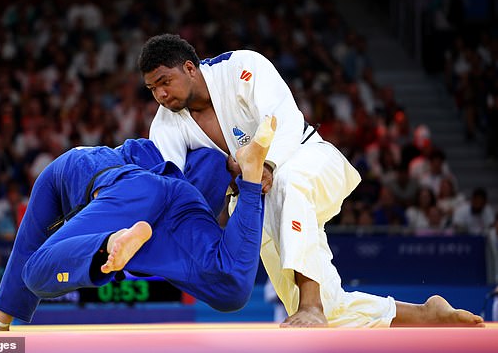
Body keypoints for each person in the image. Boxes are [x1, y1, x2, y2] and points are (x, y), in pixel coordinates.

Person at [139, 33, 484, 327]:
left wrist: (268, 164)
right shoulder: (167, 124)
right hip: (255, 201)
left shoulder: (242, 68)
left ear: (189, 68)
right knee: (331, 314)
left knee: (289, 183)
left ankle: (311, 303)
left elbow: (286, 119)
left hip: (306, 159)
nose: (161, 95)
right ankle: (425, 314)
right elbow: (169, 184)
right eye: (152, 89)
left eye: (164, 82)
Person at [0, 117, 276, 331]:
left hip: (136, 194)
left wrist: (0, 323)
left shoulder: (68, 167)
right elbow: (209, 166)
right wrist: (243, 183)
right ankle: (251, 177)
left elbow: (28, 246)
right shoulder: (199, 153)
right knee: (231, 286)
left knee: (35, 271)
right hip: (178, 195)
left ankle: (110, 242)